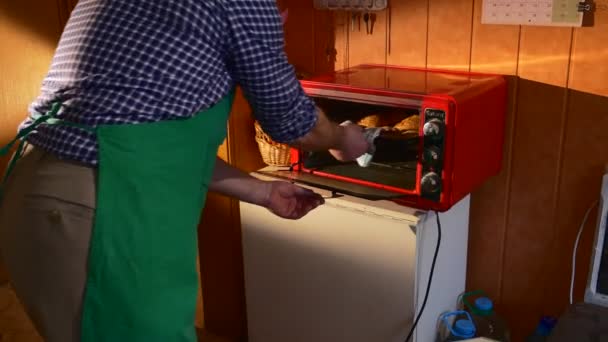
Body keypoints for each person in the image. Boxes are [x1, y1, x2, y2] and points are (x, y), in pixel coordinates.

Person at [0, 1, 369, 342]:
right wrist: (341, 137)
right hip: (98, 213)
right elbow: (294, 124)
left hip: (50, 198)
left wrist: (262, 192)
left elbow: (147, 140)